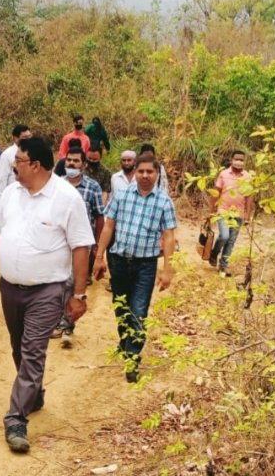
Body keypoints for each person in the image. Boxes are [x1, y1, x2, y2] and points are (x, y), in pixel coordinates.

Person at [0, 136, 93, 453]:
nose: (13, 165)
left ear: (35, 165)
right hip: (10, 288)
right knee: (18, 350)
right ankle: (33, 393)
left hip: (48, 290)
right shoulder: (11, 193)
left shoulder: (67, 198)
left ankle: (15, 419)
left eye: (19, 161)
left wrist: (79, 294)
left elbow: (81, 246)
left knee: (33, 352)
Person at [94, 154, 177, 383]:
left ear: (157, 174)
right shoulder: (121, 196)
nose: (145, 176)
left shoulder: (163, 201)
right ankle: (125, 341)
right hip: (118, 260)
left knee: (138, 310)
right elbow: (108, 226)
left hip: (145, 265)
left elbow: (169, 236)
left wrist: (168, 268)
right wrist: (99, 256)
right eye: (141, 171)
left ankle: (132, 358)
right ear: (135, 173)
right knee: (121, 306)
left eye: (150, 172)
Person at [53, 147, 104, 349]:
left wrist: (97, 245)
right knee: (58, 284)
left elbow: (100, 217)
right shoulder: (56, 185)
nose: (72, 164)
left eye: (76, 161)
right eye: (68, 161)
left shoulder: (93, 187)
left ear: (83, 164)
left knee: (74, 285)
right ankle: (58, 322)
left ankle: (68, 327)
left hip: (80, 244)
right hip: (57, 243)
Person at [208, 150, 254, 276]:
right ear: (231, 160)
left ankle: (223, 267)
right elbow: (216, 193)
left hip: (238, 214)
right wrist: (211, 211)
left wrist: (247, 215)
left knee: (231, 241)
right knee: (224, 236)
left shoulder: (247, 177)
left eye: (241, 160)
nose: (239, 162)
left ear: (244, 162)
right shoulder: (223, 174)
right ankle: (213, 253)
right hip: (223, 210)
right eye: (237, 159)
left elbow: (249, 197)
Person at [0, 124, 32, 195]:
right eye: (25, 137)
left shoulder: (34, 151)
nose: (28, 140)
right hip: (13, 194)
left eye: (29, 137)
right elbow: (2, 179)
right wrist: (2, 199)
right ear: (15, 138)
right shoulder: (7, 154)